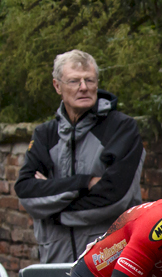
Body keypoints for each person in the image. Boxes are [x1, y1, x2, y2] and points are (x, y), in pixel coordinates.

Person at [15, 49, 144, 263]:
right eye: (74, 81)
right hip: (55, 263)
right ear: (57, 86)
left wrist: (54, 211)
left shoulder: (122, 128)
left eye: (89, 80)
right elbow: (27, 192)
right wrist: (84, 182)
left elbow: (116, 197)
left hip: (108, 261)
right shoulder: (44, 134)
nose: (83, 87)